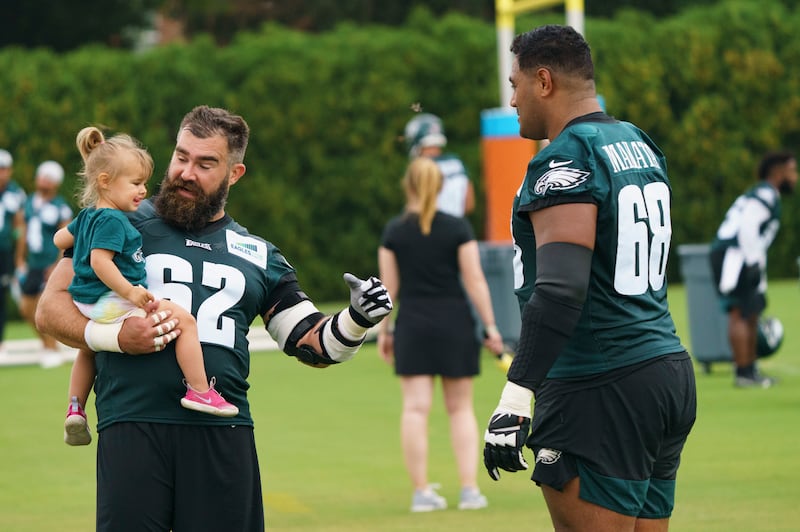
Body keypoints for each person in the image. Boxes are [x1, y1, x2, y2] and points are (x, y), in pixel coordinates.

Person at [35, 105, 392, 531]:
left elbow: (311, 344)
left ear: (234, 173)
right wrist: (115, 338)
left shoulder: (258, 254)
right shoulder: (117, 220)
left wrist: (356, 318)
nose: (187, 172)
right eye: (181, 157)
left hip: (222, 434)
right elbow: (49, 310)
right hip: (133, 424)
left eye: (205, 164)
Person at [481, 25, 697, 531]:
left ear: (544, 81)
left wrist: (515, 397)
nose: (512, 99)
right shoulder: (638, 142)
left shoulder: (566, 156)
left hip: (598, 383)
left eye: (515, 85)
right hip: (663, 368)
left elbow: (560, 288)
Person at [55, 126, 239, 447]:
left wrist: (80, 235)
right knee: (185, 322)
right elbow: (101, 262)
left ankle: (75, 407)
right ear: (105, 183)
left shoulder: (88, 216)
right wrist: (131, 292)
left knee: (88, 350)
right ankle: (200, 391)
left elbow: (59, 239)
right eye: (136, 184)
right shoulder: (114, 221)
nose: (143, 192)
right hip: (112, 299)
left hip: (86, 302)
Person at [377, 156, 504, 512]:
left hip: (413, 325)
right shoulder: (457, 227)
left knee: (415, 410)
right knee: (461, 409)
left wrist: (385, 332)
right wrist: (491, 327)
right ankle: (469, 490)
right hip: (455, 324)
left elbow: (389, 289)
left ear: (409, 185)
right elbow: (475, 280)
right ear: (441, 186)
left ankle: (421, 493)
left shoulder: (395, 231)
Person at [709, 151, 797, 388]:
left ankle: (750, 369)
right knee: (739, 311)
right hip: (735, 255)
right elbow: (748, 226)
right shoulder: (765, 193)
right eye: (791, 171)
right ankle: (743, 373)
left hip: (740, 254)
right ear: (778, 172)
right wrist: (751, 263)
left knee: (752, 310)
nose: (795, 177)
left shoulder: (765, 193)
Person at [18, 159, 73, 365]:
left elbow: (66, 239)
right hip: (33, 263)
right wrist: (19, 258)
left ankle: (51, 349)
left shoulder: (61, 207)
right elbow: (24, 231)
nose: (42, 181)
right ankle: (46, 344)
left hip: (50, 263)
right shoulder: (30, 201)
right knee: (25, 307)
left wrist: (58, 265)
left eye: (47, 178)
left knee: (44, 307)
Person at [404, 113, 475, 217]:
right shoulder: (456, 162)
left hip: (428, 227)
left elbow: (415, 205)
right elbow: (469, 204)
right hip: (457, 226)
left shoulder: (421, 169)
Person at [0, 149, 26, 354]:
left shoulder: (15, 193)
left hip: (4, 251)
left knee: (2, 294)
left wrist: (18, 257)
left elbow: (20, 226)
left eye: (4, 169)